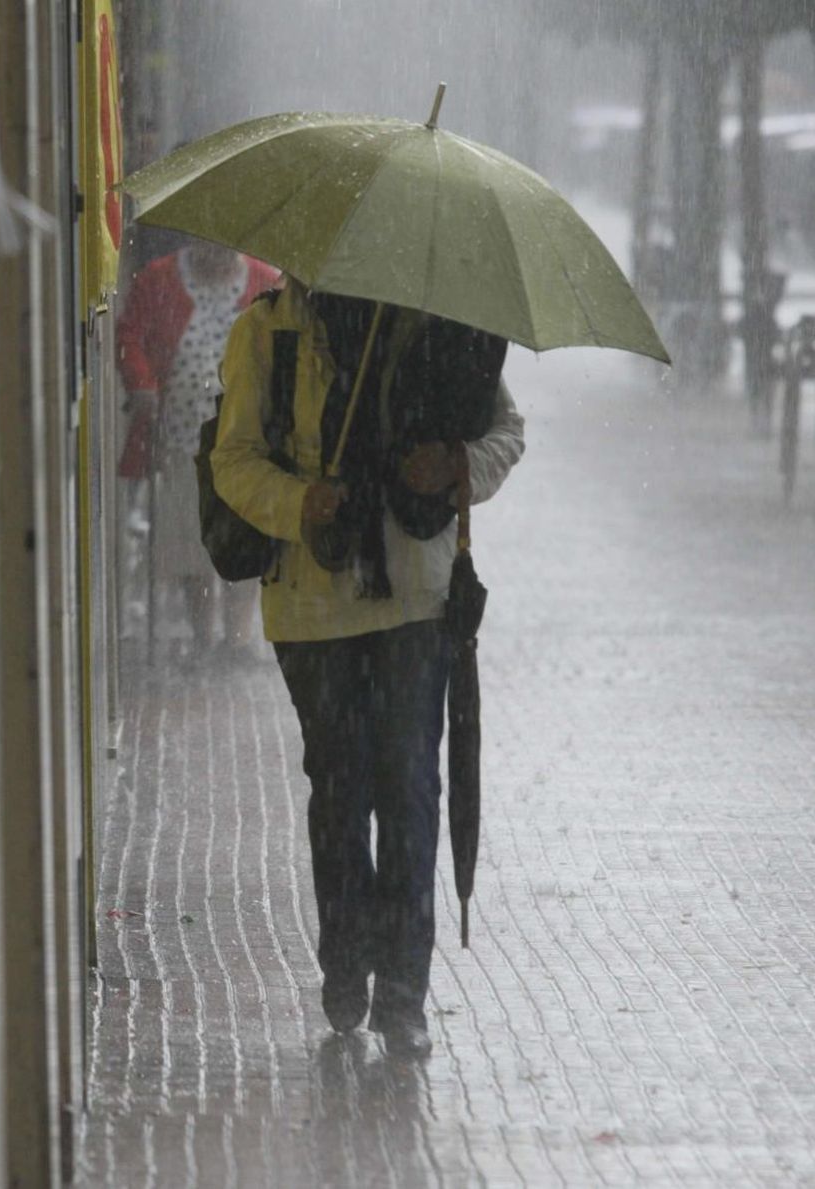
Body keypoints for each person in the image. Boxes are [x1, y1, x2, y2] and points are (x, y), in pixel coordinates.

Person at [210, 277, 525, 1057]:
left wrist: (455, 461)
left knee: (411, 785)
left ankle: (404, 993)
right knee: (341, 787)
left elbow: (505, 431)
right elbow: (234, 458)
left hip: (415, 600)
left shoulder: (435, 324)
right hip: (312, 607)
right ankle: (347, 958)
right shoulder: (268, 334)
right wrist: (300, 501)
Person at [117, 242, 281, 660]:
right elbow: (130, 336)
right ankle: (204, 635)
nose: (219, 255)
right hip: (181, 438)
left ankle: (239, 638)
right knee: (192, 539)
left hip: (247, 441)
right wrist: (142, 386)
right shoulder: (159, 278)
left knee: (242, 533)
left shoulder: (265, 281)